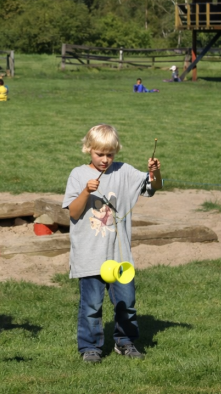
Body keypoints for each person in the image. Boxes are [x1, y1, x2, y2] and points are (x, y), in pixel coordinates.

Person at [62, 124, 161, 363]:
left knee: (126, 303)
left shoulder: (124, 171)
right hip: (90, 255)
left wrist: (155, 172)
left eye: (110, 154)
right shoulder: (78, 175)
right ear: (88, 149)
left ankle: (125, 342)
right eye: (100, 154)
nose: (105, 160)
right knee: (91, 306)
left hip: (120, 257)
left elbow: (152, 187)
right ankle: (90, 348)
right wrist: (86, 191)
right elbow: (73, 213)